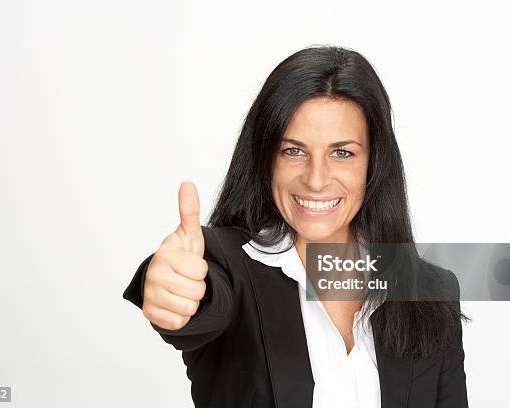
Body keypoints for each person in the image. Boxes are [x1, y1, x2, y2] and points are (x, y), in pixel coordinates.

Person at [123, 45, 469, 408]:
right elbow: (199, 295)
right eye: (293, 151)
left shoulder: (430, 291)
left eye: (342, 153)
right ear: (265, 157)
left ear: (374, 164)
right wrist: (168, 284)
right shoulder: (227, 265)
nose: (316, 180)